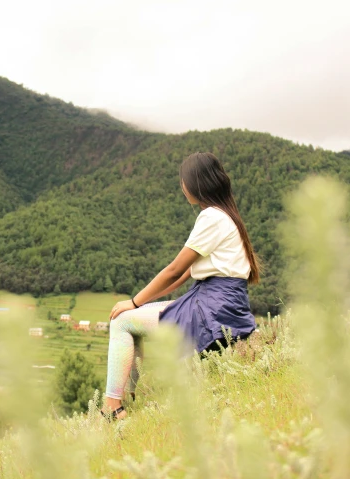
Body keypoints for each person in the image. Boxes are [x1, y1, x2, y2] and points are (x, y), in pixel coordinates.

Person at [103, 152, 260, 420]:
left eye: (183, 181)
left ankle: (112, 407)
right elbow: (184, 274)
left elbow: (175, 269)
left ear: (196, 184)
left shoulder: (211, 217)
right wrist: (141, 303)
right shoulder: (226, 216)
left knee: (122, 322)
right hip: (220, 302)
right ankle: (127, 399)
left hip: (212, 306)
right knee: (131, 319)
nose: (182, 186)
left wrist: (133, 302)